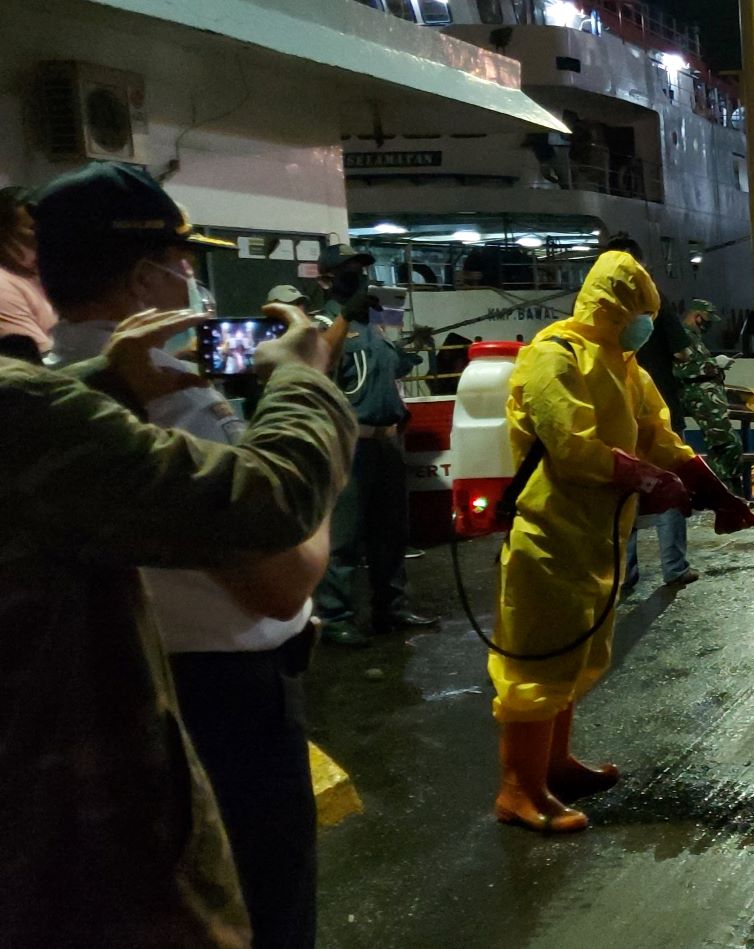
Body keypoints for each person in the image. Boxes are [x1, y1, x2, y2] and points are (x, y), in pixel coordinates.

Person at [2, 170, 354, 947]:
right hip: (219, 708)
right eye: (181, 263)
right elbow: (276, 562)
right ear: (141, 277)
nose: (191, 280)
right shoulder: (172, 396)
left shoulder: (65, 383)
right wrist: (304, 379)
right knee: (261, 916)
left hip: (104, 710)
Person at [489, 251, 754, 833]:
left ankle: (555, 766)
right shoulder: (553, 355)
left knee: (574, 657)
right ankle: (518, 789)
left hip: (598, 538)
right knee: (538, 663)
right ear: (613, 307)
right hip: (551, 536)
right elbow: (572, 445)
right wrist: (648, 480)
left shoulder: (625, 364)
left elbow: (660, 435)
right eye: (638, 312)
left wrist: (718, 493)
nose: (645, 324)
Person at [314, 260, 436, 647]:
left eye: (361, 270)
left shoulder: (374, 325)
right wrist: (344, 319)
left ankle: (392, 608)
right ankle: (334, 618)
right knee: (343, 538)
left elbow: (387, 369)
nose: (359, 277)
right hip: (351, 445)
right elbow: (320, 363)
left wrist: (411, 349)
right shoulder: (321, 323)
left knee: (391, 534)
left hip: (386, 444)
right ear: (325, 278)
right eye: (348, 269)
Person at [623, 297, 702, 594]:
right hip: (660, 413)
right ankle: (675, 567)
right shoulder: (655, 301)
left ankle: (623, 573)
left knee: (624, 491)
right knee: (671, 488)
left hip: (618, 419)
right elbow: (682, 353)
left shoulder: (595, 314)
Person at [675, 299, 742, 489]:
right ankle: (724, 489)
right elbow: (683, 369)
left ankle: (725, 490)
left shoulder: (694, 338)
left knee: (722, 446)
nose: (709, 326)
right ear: (698, 316)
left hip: (709, 399)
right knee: (728, 443)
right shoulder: (682, 337)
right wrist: (714, 363)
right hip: (699, 399)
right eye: (707, 320)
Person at [0, 185, 56, 361]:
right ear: (4, 233)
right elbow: (42, 362)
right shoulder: (3, 285)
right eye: (33, 228)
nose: (46, 235)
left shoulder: (43, 271)